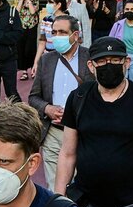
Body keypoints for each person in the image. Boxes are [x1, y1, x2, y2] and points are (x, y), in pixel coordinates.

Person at [54, 37, 133, 207]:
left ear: (126, 62)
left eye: (115, 60)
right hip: (88, 205)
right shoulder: (79, 97)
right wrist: (59, 198)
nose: (108, 65)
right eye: (102, 61)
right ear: (91, 66)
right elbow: (67, 153)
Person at [28, 15, 93, 188]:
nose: (57, 36)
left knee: (79, 186)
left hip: (82, 133)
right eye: (55, 32)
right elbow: (33, 97)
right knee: (55, 187)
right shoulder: (46, 60)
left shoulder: (90, 58)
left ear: (75, 35)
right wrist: (47, 108)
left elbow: (100, 95)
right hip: (53, 133)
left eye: (63, 32)